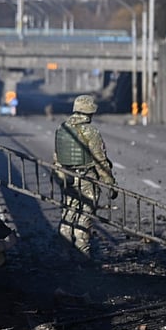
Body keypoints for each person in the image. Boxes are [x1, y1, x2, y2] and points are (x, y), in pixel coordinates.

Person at [53, 95, 117, 256]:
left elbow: (57, 156)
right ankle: (82, 256)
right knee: (84, 216)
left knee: (68, 213)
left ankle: (63, 255)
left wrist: (59, 177)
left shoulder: (62, 128)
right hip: (86, 179)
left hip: (66, 178)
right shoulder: (91, 132)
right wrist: (110, 183)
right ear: (90, 112)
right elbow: (100, 160)